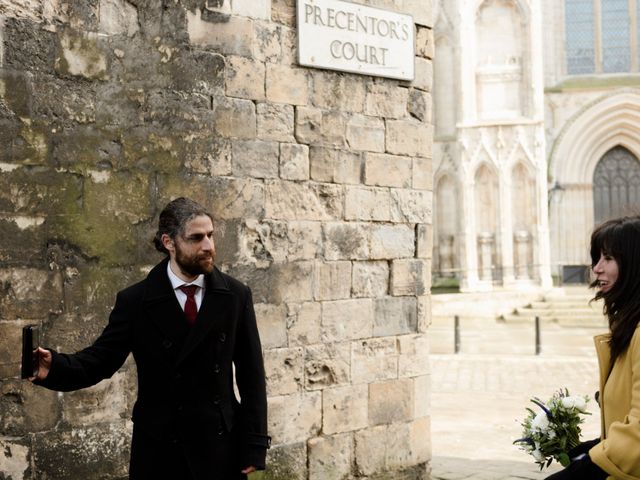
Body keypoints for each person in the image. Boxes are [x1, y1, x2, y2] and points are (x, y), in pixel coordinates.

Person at [29, 197, 270, 479]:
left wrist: (254, 445)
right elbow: (101, 360)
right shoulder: (136, 301)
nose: (208, 246)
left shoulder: (235, 295)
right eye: (196, 238)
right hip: (160, 449)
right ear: (169, 242)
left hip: (219, 446)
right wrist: (54, 367)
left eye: (210, 235)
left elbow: (251, 375)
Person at [545, 215, 640, 479]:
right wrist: (589, 448)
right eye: (596, 258)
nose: (596, 268)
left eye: (607, 258)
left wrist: (584, 469)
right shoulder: (628, 328)